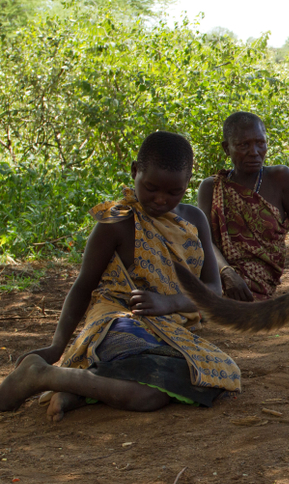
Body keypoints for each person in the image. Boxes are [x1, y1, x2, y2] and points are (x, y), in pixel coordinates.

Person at [0, 131, 241, 422]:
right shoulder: (117, 221)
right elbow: (83, 286)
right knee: (147, 391)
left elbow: (213, 290)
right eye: (151, 188)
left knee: (203, 377)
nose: (161, 199)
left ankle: (65, 383)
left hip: (171, 329)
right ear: (134, 171)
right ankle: (41, 374)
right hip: (117, 321)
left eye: (173, 192)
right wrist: (56, 346)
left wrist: (170, 303)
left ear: (187, 183)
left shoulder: (194, 219)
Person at [198, 112, 289, 301]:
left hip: (258, 285)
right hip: (217, 277)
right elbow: (205, 240)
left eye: (260, 143)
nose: (254, 151)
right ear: (226, 148)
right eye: (243, 145)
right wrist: (226, 273)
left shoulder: (280, 178)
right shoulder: (211, 188)